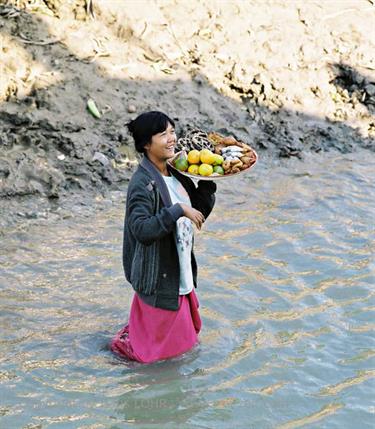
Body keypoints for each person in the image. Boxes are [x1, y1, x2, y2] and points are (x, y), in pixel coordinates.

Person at [110, 111, 217, 363]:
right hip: (160, 277)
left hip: (179, 270)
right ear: (147, 144)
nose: (171, 139)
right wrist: (178, 210)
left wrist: (209, 182)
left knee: (180, 351)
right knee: (158, 357)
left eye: (172, 131)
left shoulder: (176, 173)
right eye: (163, 134)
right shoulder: (142, 183)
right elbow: (142, 230)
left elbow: (196, 214)